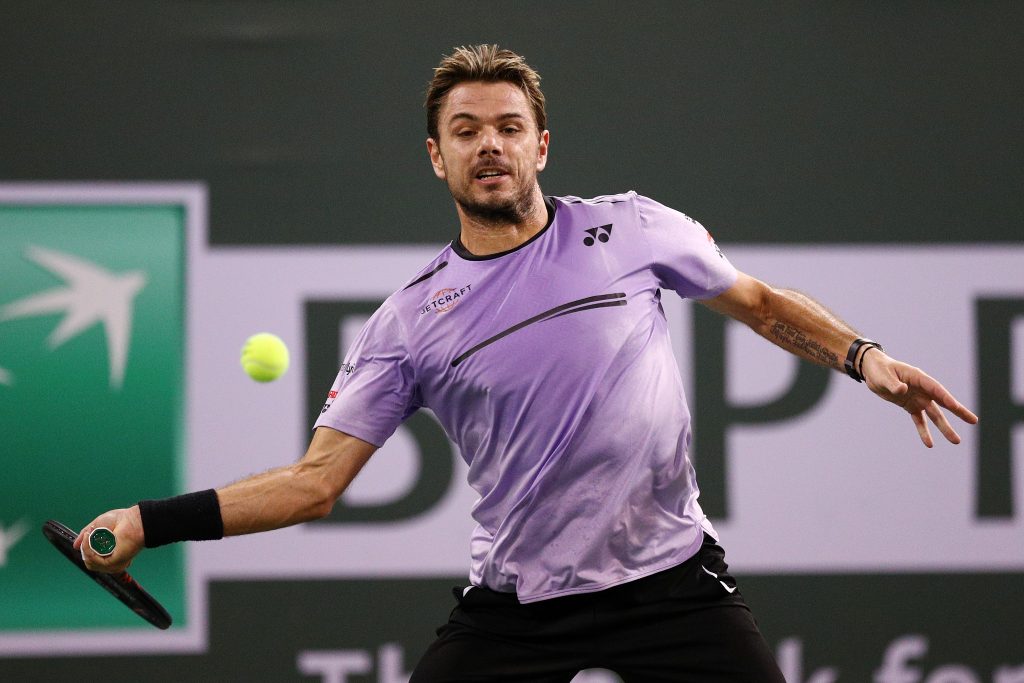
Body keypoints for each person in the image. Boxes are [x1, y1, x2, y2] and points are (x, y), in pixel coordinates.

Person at [77, 44, 978, 681]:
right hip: (517, 603)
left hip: (672, 583)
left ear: (541, 145)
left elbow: (760, 303)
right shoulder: (405, 322)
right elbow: (315, 485)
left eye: (509, 126)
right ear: (438, 158)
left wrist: (865, 357)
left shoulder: (630, 227)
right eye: (465, 130)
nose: (490, 144)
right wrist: (152, 521)